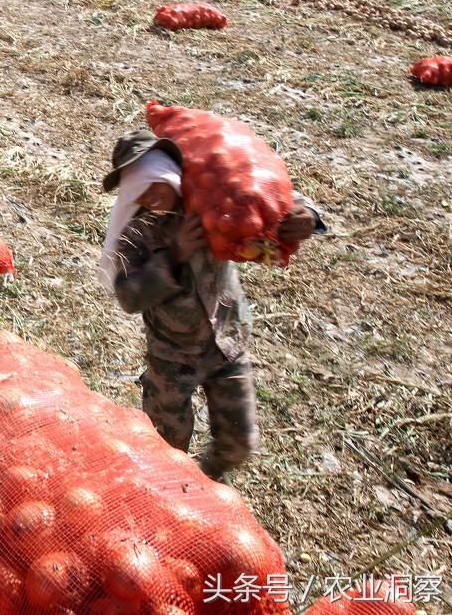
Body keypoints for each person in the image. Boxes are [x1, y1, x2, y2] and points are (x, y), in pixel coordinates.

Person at [99, 129, 325, 481]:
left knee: (239, 443)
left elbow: (267, 196)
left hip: (228, 345)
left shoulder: (213, 200)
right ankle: (172, 494)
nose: (150, 193)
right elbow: (129, 297)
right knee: (165, 448)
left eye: (156, 180)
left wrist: (306, 214)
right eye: (140, 186)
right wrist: (174, 256)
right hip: (171, 358)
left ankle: (206, 485)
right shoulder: (136, 233)